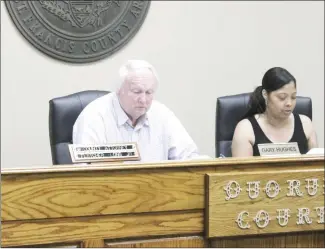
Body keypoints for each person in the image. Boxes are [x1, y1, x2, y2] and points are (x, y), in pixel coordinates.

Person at [73, 60, 202, 162]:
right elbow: (87, 171)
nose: (143, 99)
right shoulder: (94, 116)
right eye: (137, 92)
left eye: (149, 92)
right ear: (118, 90)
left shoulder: (162, 115)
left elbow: (189, 157)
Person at [232, 67, 318, 157]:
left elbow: (317, 166)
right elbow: (242, 170)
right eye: (282, 97)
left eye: (293, 97)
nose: (289, 103)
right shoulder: (246, 129)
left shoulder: (305, 124)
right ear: (265, 94)